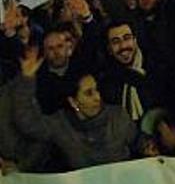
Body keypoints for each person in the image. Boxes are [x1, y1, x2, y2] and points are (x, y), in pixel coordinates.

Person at [13, 47, 151, 171]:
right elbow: (27, 123)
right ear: (73, 101)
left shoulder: (117, 116)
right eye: (89, 93)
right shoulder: (60, 124)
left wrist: (147, 147)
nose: (97, 97)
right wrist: (26, 80)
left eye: (97, 90)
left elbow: (137, 141)